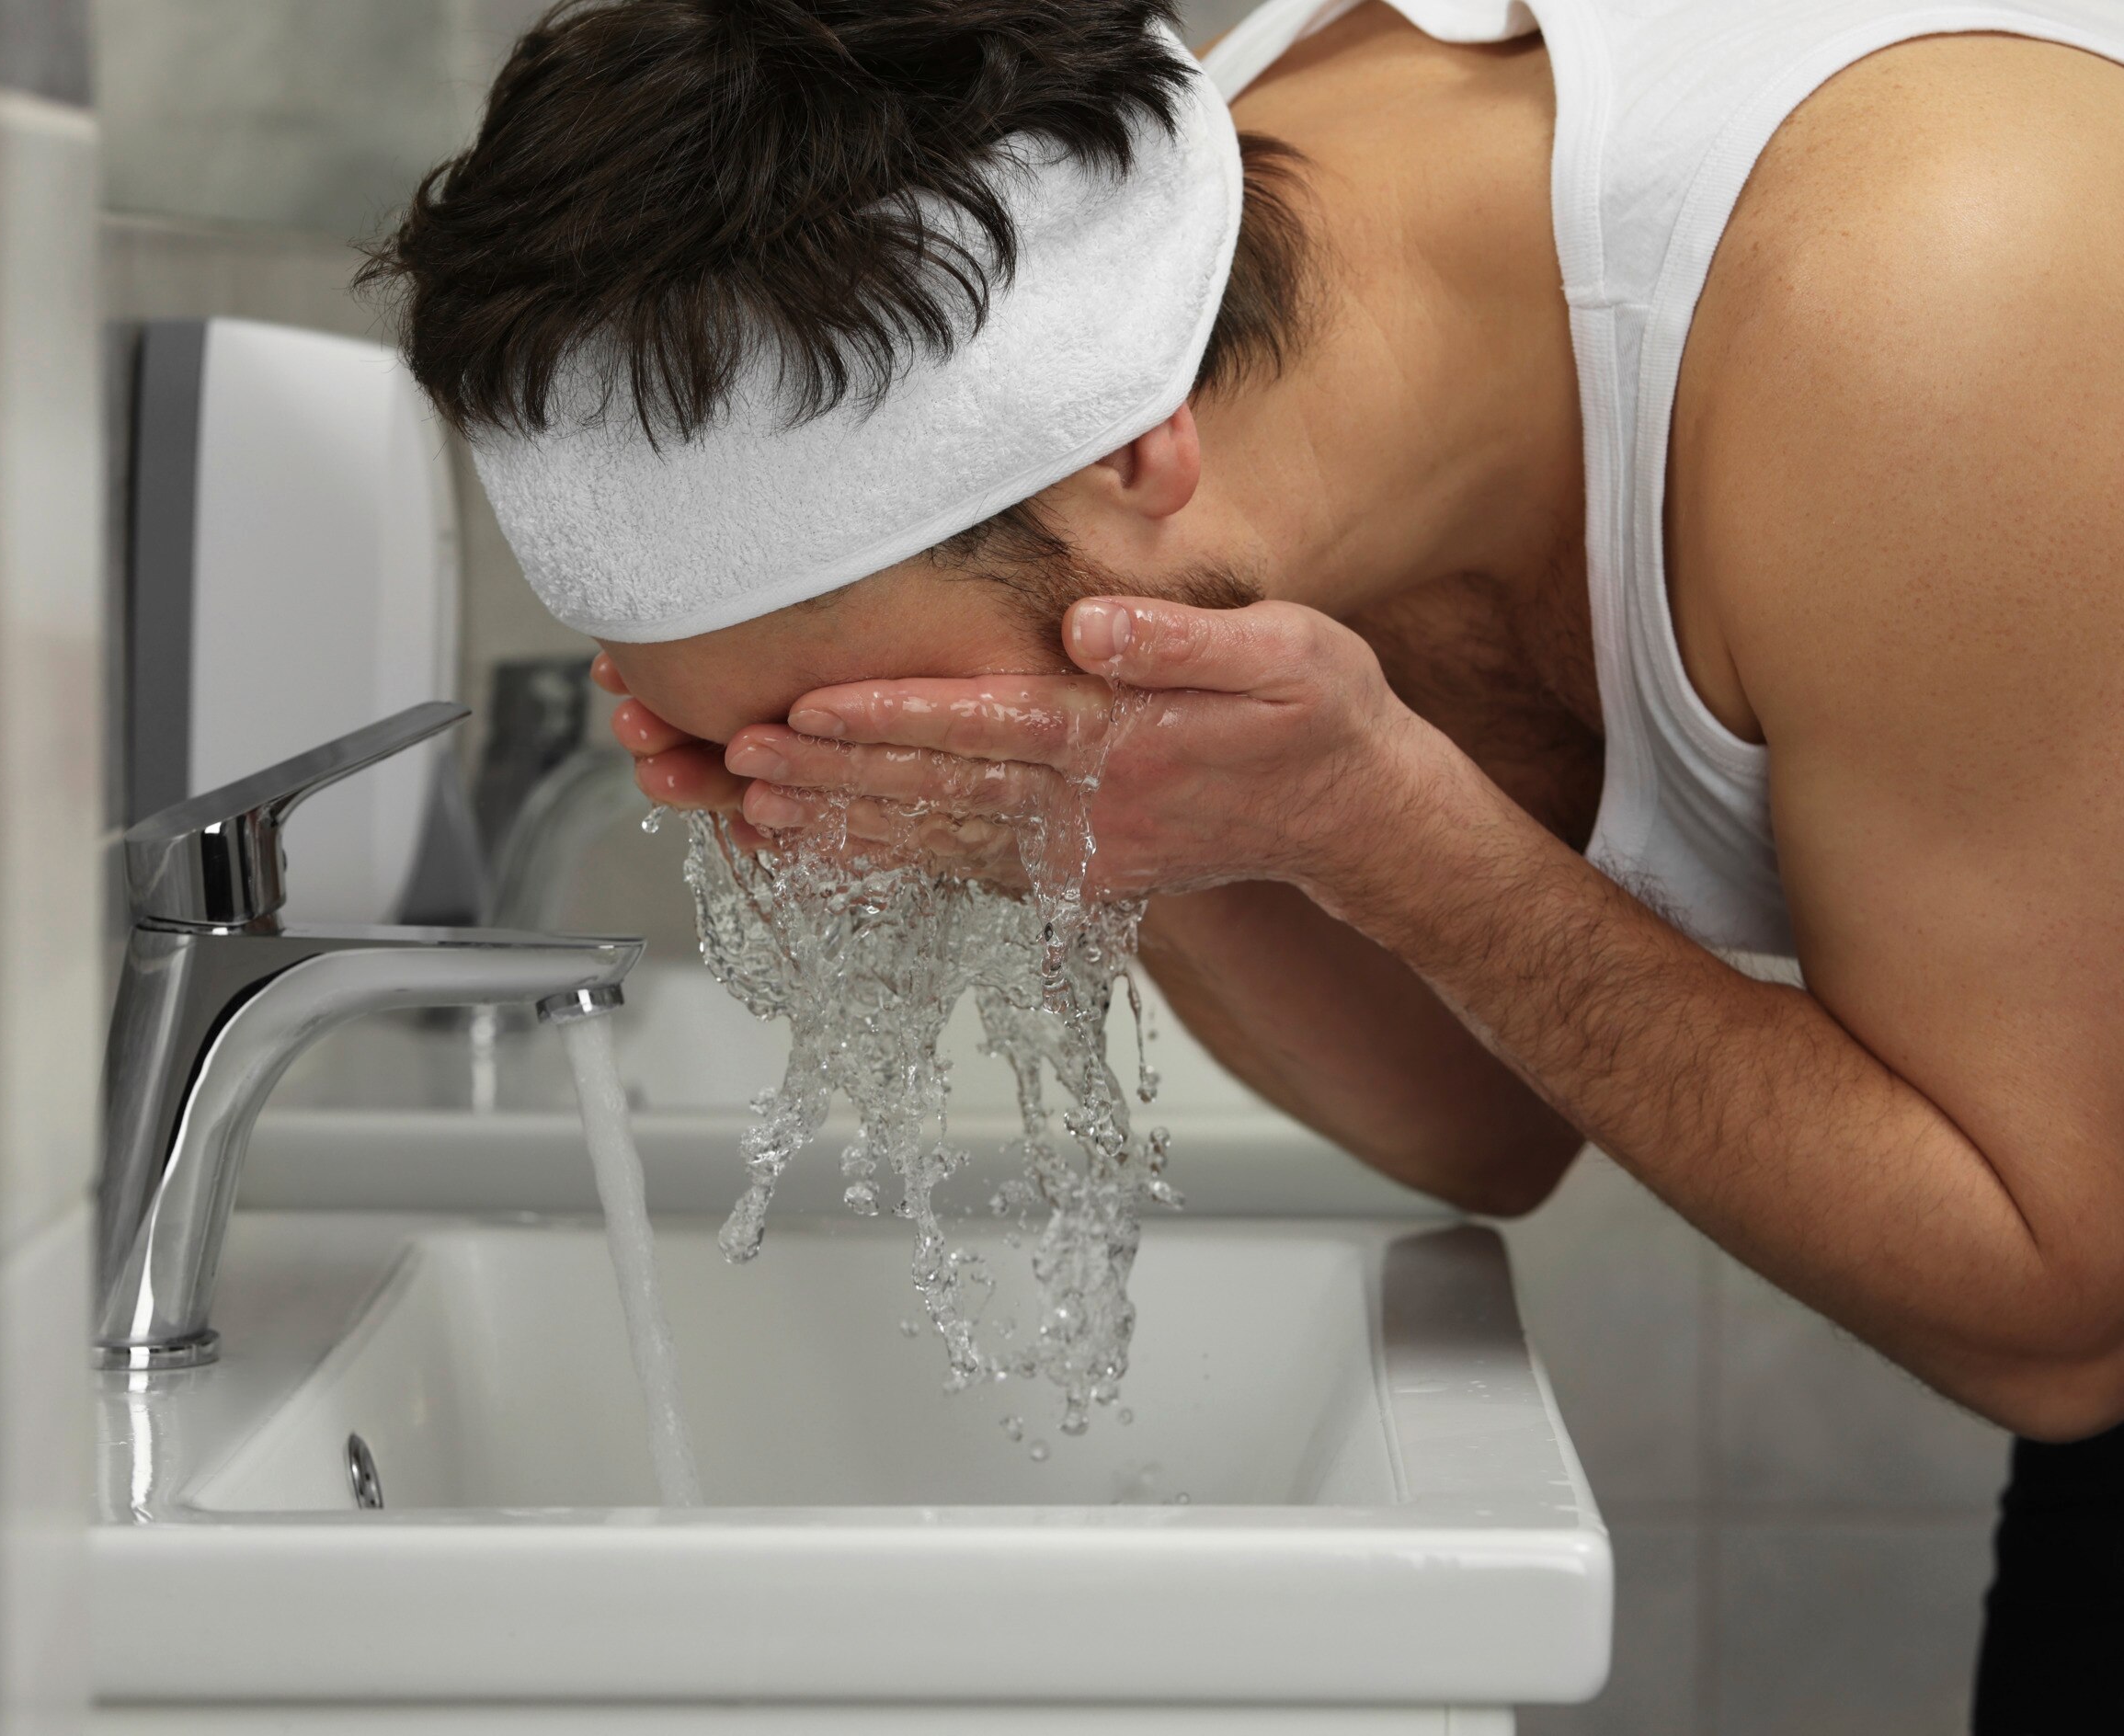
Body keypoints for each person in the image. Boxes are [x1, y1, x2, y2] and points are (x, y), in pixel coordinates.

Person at [359, 1, 2124, 1721]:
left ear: (1140, 446)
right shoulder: (1107, 281)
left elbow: (2061, 1325)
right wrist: (1148, 824)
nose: (845, 788)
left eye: (870, 715)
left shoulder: (1927, 300)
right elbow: (1486, 1132)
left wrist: (1397, 839)